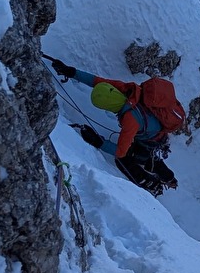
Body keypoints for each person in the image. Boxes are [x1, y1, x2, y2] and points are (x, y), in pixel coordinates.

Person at [50, 60, 178, 196]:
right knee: (144, 155)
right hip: (154, 133)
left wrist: (98, 142)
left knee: (125, 160)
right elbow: (97, 82)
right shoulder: (129, 90)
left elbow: (120, 152)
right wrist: (71, 72)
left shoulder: (130, 119)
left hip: (151, 140)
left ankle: (152, 185)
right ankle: (169, 178)